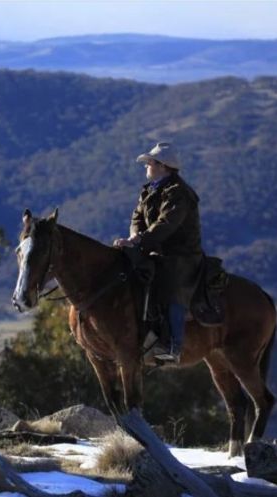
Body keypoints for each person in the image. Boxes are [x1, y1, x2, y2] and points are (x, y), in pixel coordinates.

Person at [113, 142, 203, 364]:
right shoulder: (148, 190)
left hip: (180, 255)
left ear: (162, 166)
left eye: (149, 163)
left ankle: (174, 345)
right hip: (152, 249)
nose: (146, 167)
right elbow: (137, 218)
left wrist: (139, 240)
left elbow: (166, 224)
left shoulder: (179, 193)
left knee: (171, 288)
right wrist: (135, 237)